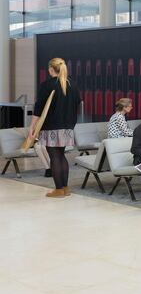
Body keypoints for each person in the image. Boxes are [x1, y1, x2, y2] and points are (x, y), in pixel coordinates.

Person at [30, 57, 82, 198]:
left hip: (51, 126)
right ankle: (65, 188)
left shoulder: (47, 85)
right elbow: (77, 103)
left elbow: (39, 108)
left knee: (54, 157)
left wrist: (32, 127)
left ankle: (58, 189)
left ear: (50, 69)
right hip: (68, 127)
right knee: (61, 155)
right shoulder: (73, 84)